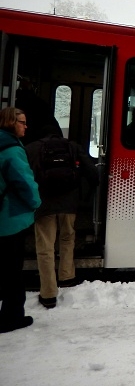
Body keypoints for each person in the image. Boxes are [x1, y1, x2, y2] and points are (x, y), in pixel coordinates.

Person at [25, 125, 99, 309]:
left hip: (44, 204)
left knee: (45, 247)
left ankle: (48, 293)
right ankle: (66, 277)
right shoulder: (72, 146)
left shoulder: (31, 148)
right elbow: (92, 172)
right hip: (69, 203)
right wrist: (89, 193)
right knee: (67, 238)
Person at [0, 107, 41, 333]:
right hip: (10, 218)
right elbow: (25, 184)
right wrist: (36, 203)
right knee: (13, 271)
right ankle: (11, 317)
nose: (25, 126)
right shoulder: (12, 150)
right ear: (10, 123)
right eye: (22, 122)